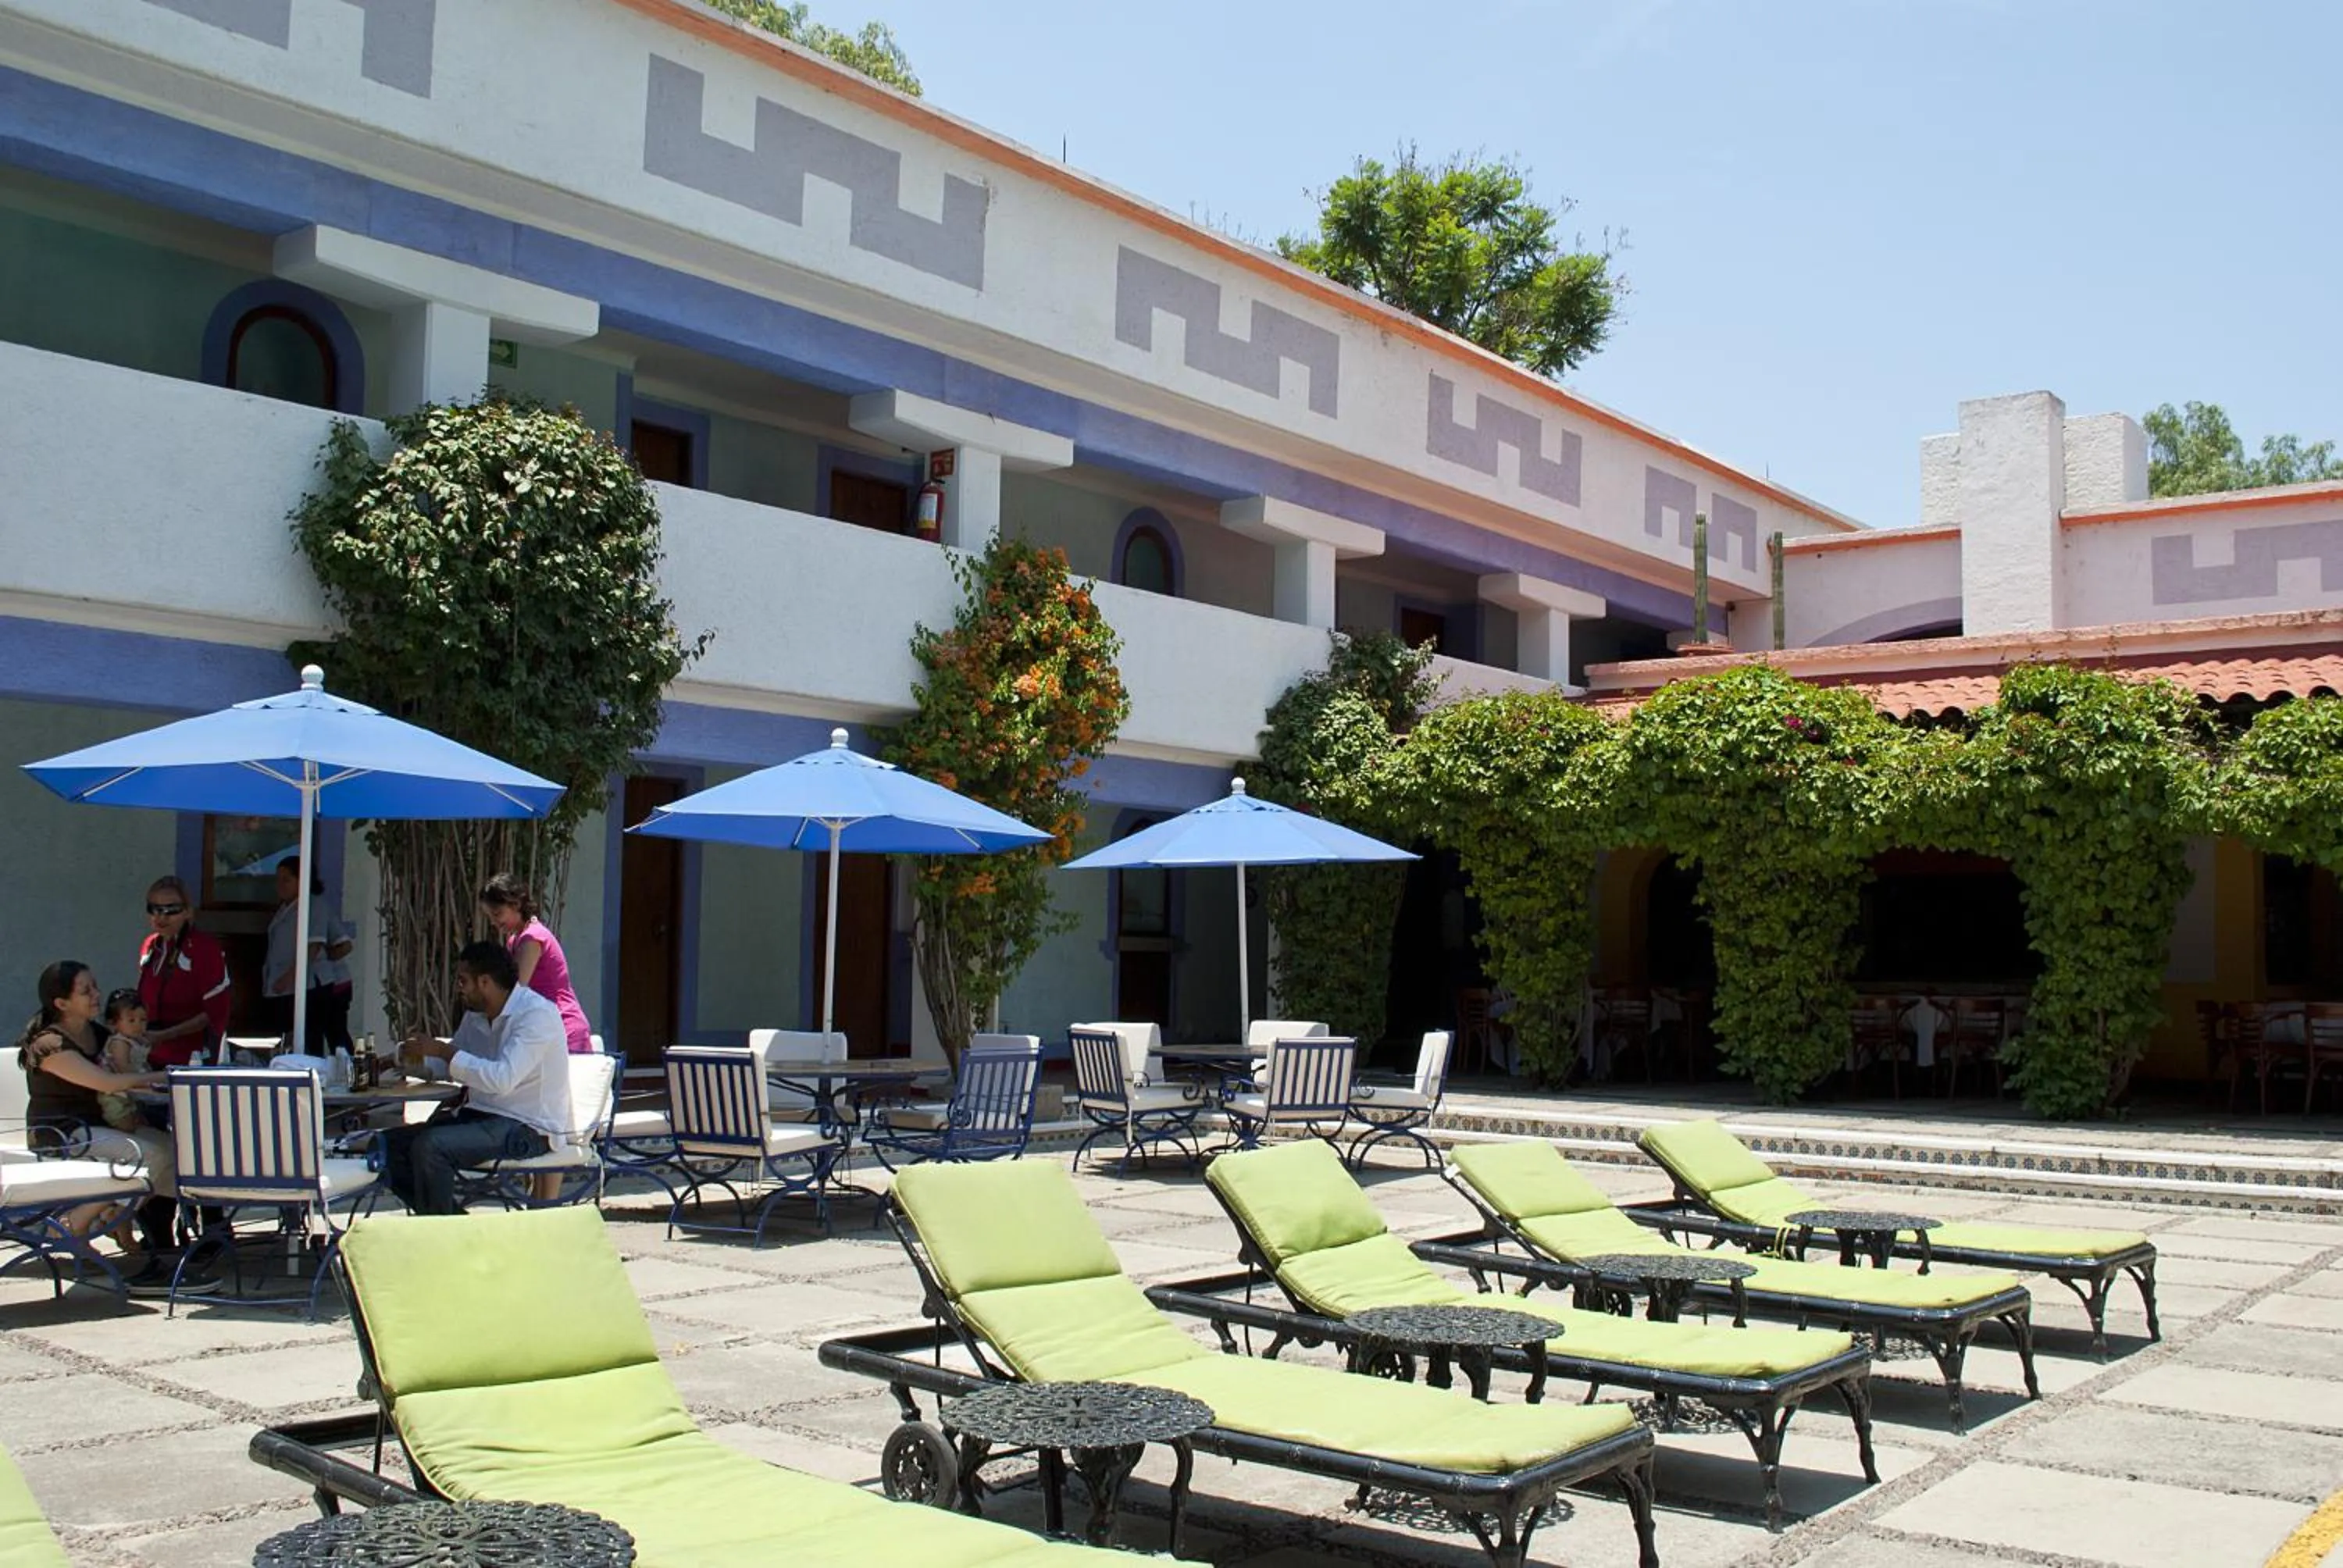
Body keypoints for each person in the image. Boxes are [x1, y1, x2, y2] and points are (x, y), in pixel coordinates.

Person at [17, 960, 205, 1295]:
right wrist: (161, 1078)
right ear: (61, 1003)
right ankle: (73, 1226)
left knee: (177, 1157)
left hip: (101, 1126)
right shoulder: (49, 1045)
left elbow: (128, 1070)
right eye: (85, 990)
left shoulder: (98, 1034)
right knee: (146, 1157)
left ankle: (109, 1219)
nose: (96, 995)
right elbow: (106, 1082)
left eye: (95, 987)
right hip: (62, 1133)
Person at [381, 940, 567, 1216]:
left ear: (485, 982)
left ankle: (443, 1234)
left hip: (528, 1127)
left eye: (462, 981)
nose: (459, 988)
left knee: (431, 1148)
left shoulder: (536, 1016)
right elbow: (452, 1066)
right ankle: (454, 1226)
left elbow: (502, 1079)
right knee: (385, 1147)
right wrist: (401, 1060)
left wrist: (445, 1050)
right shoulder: (476, 1017)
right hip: (480, 1115)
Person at [479, 873, 594, 1055]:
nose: (494, 922)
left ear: (515, 904)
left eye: (497, 914)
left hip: (564, 1028)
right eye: (490, 917)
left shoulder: (532, 938)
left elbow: (516, 990)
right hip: (546, 1027)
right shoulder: (515, 940)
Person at [136, 875, 229, 1068]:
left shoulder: (204, 949)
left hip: (192, 1060)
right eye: (154, 909)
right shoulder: (151, 946)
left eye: (171, 910)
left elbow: (214, 1013)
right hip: (151, 1056)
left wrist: (165, 1035)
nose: (161, 917)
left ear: (187, 912)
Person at [97, 988, 151, 1133]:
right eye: (131, 1020)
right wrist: (148, 1080)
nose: (138, 1025)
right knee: (124, 1121)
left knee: (139, 1120)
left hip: (129, 1092)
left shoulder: (137, 1041)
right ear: (114, 1023)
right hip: (114, 1095)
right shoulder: (119, 1043)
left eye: (143, 1020)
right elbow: (124, 1069)